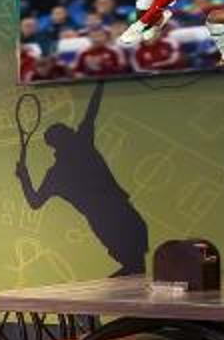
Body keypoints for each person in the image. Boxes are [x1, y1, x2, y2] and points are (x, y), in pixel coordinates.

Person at [16, 80, 148, 274]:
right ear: (61, 139)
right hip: (120, 213)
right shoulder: (82, 143)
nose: (71, 130)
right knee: (136, 267)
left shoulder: (56, 174)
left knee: (134, 267)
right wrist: (101, 81)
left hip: (106, 219)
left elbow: (35, 202)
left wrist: (24, 177)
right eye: (67, 130)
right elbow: (91, 111)